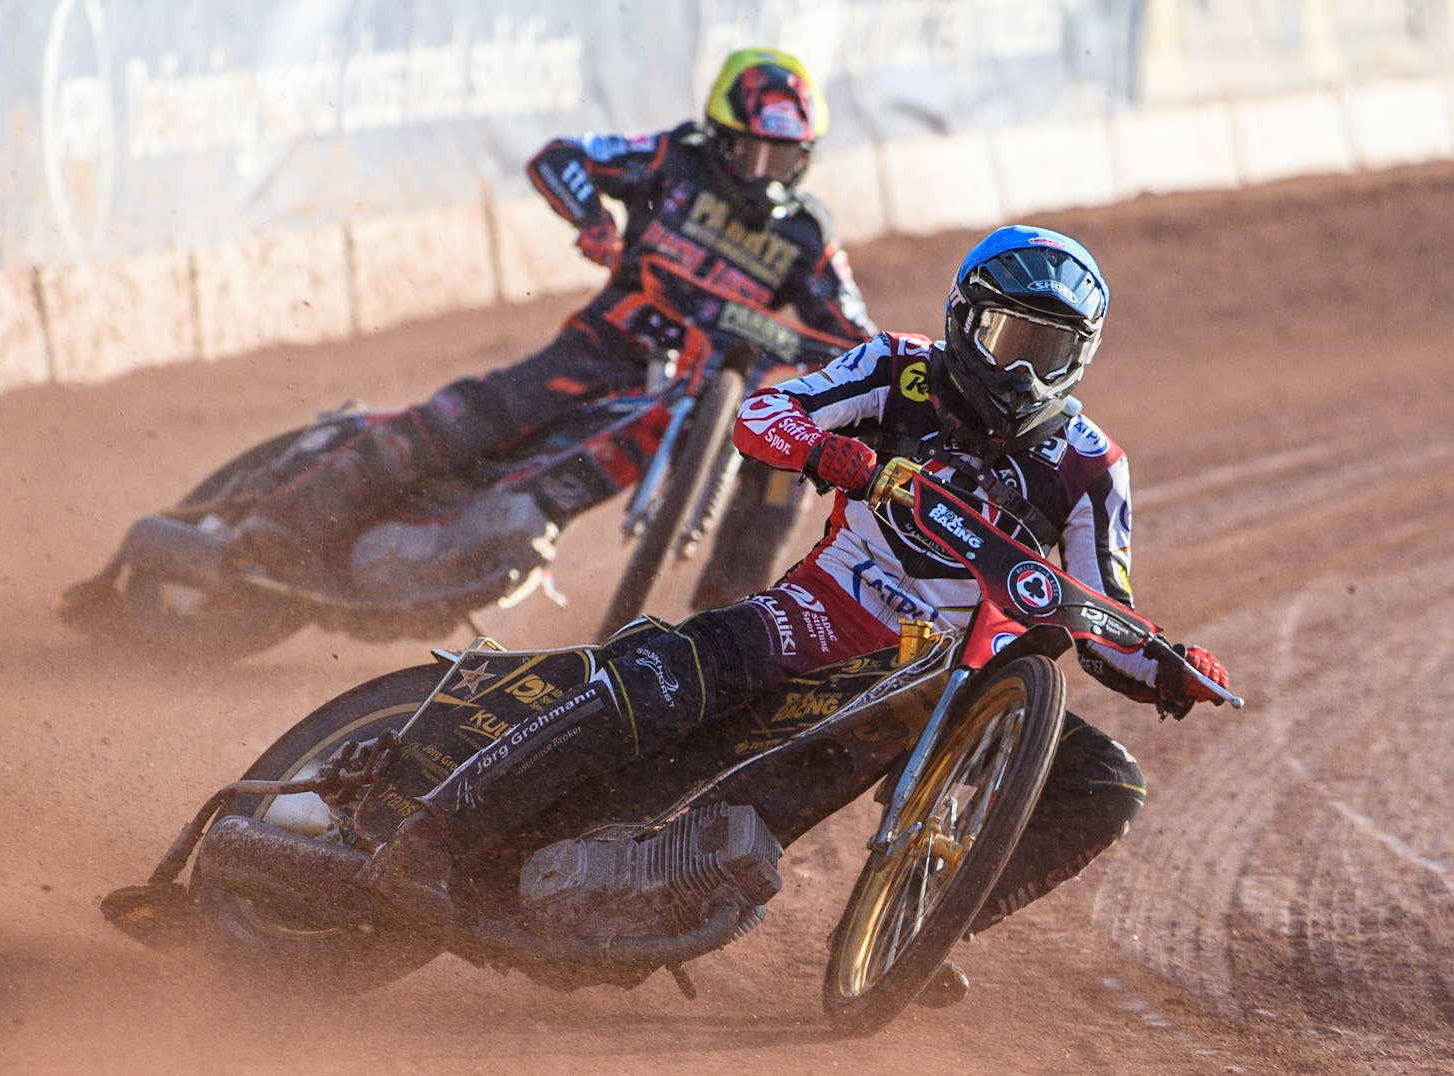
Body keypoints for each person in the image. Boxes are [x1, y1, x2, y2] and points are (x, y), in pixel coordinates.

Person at [361, 224, 1231, 1006]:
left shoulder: (1091, 465)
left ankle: (921, 926)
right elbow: (761, 415)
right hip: (821, 611)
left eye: (1047, 351)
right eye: (1008, 339)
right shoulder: (897, 366)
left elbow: (1102, 617)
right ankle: (432, 834)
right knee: (669, 675)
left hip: (944, 678)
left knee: (1106, 784)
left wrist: (1170, 666)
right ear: (964, 320)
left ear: (1081, 355)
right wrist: (832, 454)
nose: (1020, 372)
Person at [229, 47, 877, 597]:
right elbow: (560, 157)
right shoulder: (671, 157)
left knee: (783, 465)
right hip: (605, 344)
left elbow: (855, 341)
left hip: (701, 394)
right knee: (470, 417)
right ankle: (282, 524)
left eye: (782, 160)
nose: (764, 176)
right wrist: (592, 220)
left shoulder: (806, 233)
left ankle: (730, 630)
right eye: (750, 153)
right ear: (717, 137)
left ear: (806, 159)